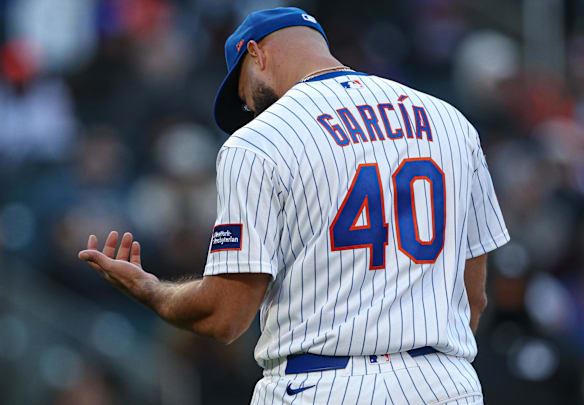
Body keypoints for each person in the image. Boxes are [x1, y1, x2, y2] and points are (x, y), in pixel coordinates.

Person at [78, 7, 509, 404]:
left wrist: (151, 290)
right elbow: (473, 298)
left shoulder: (259, 141)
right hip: (445, 385)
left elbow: (226, 316)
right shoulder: (452, 122)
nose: (246, 106)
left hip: (323, 385)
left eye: (241, 90)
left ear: (256, 53)